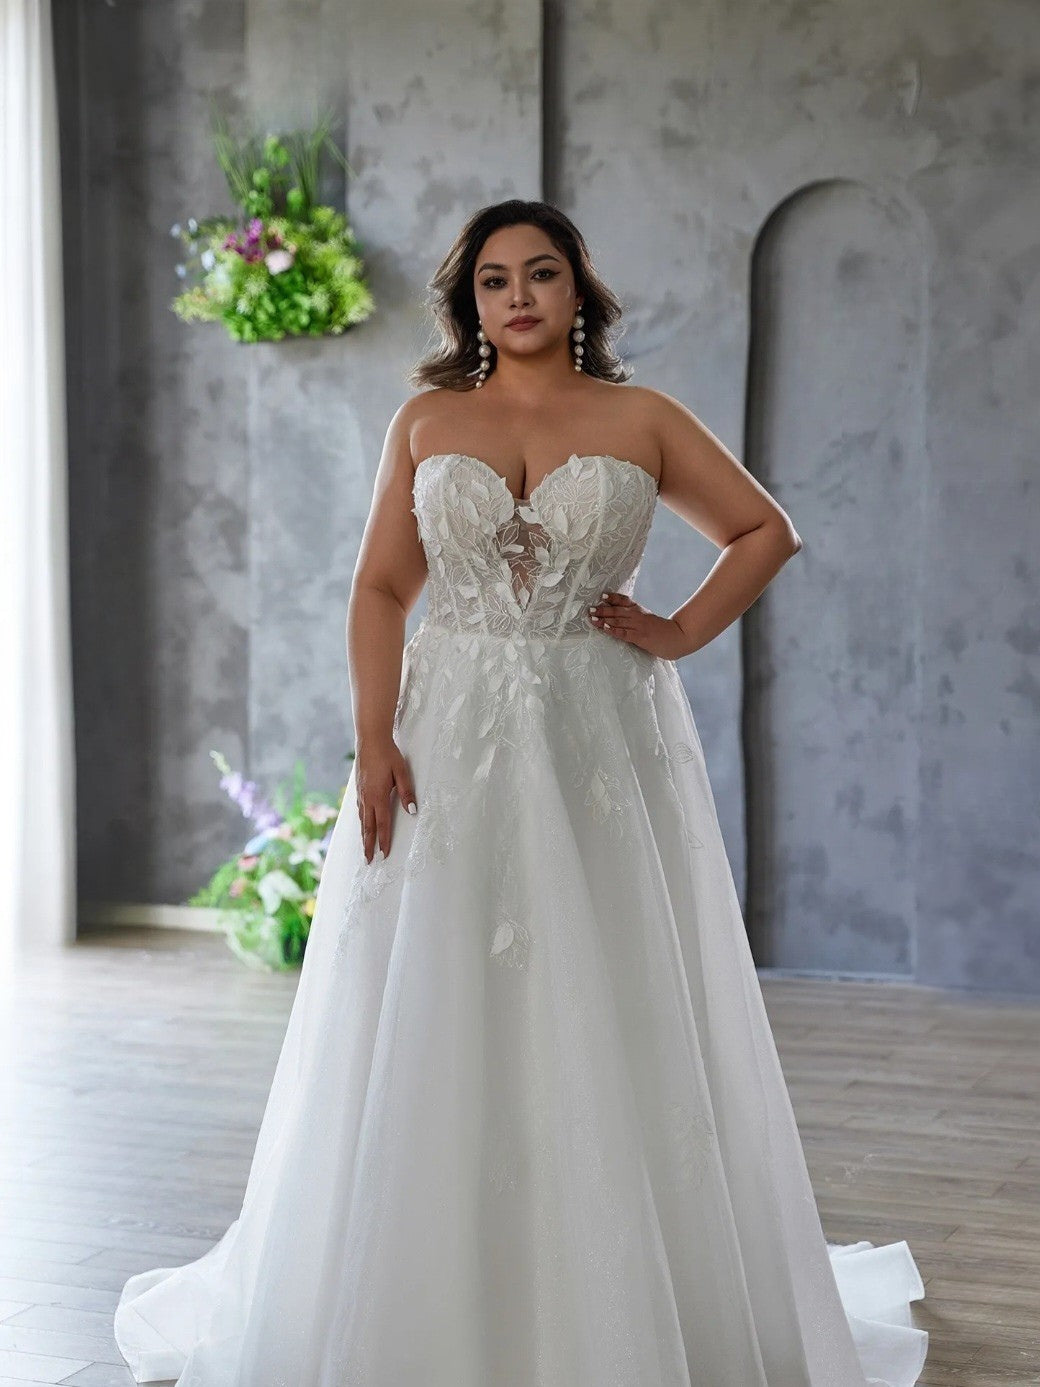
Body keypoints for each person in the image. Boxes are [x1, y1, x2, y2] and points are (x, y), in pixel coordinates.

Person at [113, 198, 928, 1386]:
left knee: (600, 978)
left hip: (597, 723)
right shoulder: (426, 420)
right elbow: (382, 590)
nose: (518, 297)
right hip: (445, 730)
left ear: (576, 291)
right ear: (469, 304)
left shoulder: (639, 416)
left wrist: (678, 629)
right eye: (493, 281)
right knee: (433, 981)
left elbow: (761, 528)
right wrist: (372, 737)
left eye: (539, 274)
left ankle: (618, 1295)